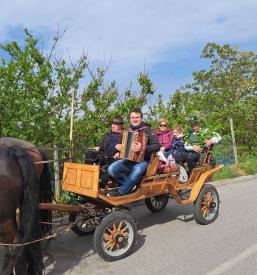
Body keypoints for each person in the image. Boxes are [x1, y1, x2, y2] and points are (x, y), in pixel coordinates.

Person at [107, 108, 161, 196]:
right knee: (112, 169)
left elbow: (157, 146)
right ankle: (130, 186)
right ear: (129, 118)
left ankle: (122, 192)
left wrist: (143, 147)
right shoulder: (128, 131)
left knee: (137, 170)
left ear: (141, 118)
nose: (135, 119)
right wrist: (119, 148)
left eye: (137, 117)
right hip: (129, 159)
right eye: (132, 117)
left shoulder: (147, 130)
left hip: (143, 161)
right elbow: (124, 145)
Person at [85, 116, 124, 187]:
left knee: (114, 162)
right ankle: (88, 176)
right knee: (89, 153)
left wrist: (120, 153)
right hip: (104, 156)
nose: (113, 126)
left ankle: (101, 182)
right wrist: (98, 147)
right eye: (113, 124)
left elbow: (126, 148)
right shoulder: (107, 135)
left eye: (116, 124)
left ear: (121, 125)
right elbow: (101, 144)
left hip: (114, 158)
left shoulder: (125, 135)